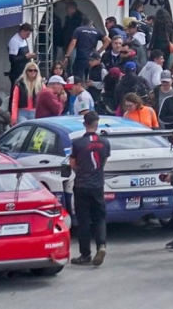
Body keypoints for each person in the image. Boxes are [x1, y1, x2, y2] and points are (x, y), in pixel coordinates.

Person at [69, 111, 110, 267]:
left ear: (84, 124)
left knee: (84, 220)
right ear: (97, 124)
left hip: (81, 185)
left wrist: (81, 170)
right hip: (97, 185)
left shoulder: (78, 143)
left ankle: (85, 254)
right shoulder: (105, 142)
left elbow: (73, 164)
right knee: (99, 217)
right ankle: (101, 245)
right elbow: (104, 161)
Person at [7, 22, 37, 87]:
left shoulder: (23, 40)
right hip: (17, 72)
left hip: (24, 71)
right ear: (22, 31)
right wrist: (26, 56)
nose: (28, 36)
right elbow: (12, 59)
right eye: (27, 34)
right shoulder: (15, 41)